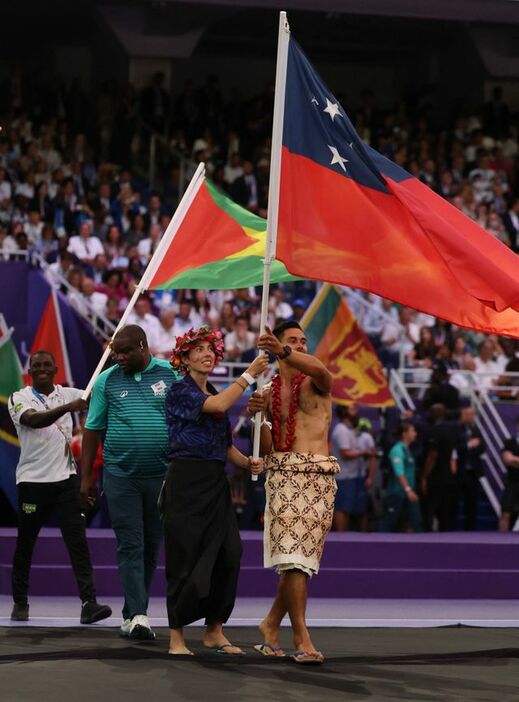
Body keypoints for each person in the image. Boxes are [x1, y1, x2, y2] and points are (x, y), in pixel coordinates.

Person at [164, 326, 267, 655]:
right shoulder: (180, 391)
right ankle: (176, 638)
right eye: (199, 350)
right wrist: (249, 374)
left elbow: (223, 447)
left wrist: (246, 461)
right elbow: (219, 404)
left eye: (211, 349)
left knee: (229, 554)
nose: (207, 354)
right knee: (185, 558)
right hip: (185, 483)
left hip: (214, 483)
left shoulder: (215, 392)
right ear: (184, 358)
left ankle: (214, 629)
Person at [248, 321, 339, 665]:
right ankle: (301, 635)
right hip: (283, 473)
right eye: (292, 341)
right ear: (276, 344)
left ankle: (271, 625)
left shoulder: (317, 380)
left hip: (318, 475)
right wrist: (258, 419)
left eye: (303, 341)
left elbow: (322, 370)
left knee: (300, 562)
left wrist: (283, 351)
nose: (300, 346)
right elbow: (269, 447)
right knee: (294, 560)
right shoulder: (267, 390)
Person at [80, 325, 179, 640]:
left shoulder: (170, 373)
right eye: (115, 353)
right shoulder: (106, 380)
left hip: (162, 475)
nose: (119, 357)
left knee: (151, 545)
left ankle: (134, 613)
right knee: (130, 543)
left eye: (125, 352)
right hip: (121, 476)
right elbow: (92, 429)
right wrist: (86, 478)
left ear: (142, 346)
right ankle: (138, 614)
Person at [8, 350, 111, 624]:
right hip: (32, 482)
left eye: (46, 365)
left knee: (77, 543)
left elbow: (97, 388)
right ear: (30, 371)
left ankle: (89, 603)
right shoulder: (20, 397)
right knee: (25, 544)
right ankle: (20, 601)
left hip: (66, 480)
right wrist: (68, 408)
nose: (41, 369)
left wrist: (109, 354)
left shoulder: (67, 393)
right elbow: (32, 420)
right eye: (36, 366)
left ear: (55, 369)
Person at [330, 405, 374, 532]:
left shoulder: (350, 430)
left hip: (353, 475)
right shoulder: (341, 430)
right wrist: (364, 453)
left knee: (351, 509)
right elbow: (346, 453)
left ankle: (347, 536)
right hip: (344, 476)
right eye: (352, 409)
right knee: (341, 508)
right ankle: (341, 537)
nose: (356, 411)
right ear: (344, 412)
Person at [382, 422, 422, 532]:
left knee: (416, 521)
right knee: (389, 522)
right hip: (397, 492)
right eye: (412, 431)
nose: (415, 433)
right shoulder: (397, 450)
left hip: (407, 492)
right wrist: (408, 490)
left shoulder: (407, 450)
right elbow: (399, 472)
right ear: (404, 434)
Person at [457, 406, 485, 531]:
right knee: (454, 502)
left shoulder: (476, 430)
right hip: (459, 471)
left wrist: (474, 446)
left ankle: (471, 530)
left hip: (473, 471)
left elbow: (482, 446)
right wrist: (469, 445)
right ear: (462, 414)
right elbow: (455, 448)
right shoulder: (457, 429)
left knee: (472, 503)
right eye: (468, 414)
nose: (471, 417)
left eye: (473, 414)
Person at [500, 417, 519, 531]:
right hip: (512, 481)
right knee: (505, 513)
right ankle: (501, 540)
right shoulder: (510, 442)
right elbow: (507, 459)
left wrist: (515, 460)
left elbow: (512, 459)